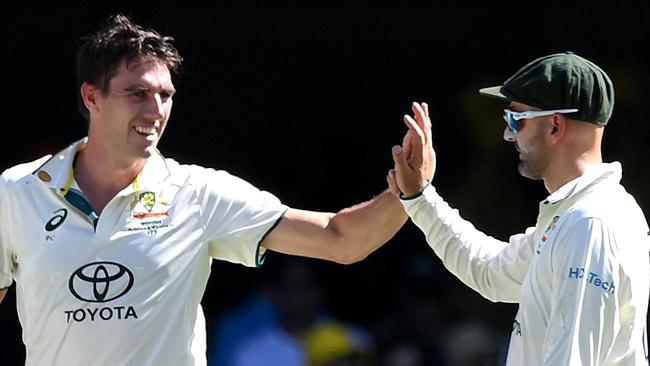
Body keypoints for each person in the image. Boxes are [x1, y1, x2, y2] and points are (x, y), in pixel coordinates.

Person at [0, 14, 408, 366]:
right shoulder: (17, 190)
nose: (156, 111)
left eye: (165, 96)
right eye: (138, 93)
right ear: (92, 97)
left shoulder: (198, 193)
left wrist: (410, 190)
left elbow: (341, 240)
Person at [388, 52, 650, 365]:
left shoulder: (589, 222)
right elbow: (489, 271)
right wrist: (419, 197)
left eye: (516, 119)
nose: (507, 135)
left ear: (555, 125)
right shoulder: (576, 216)